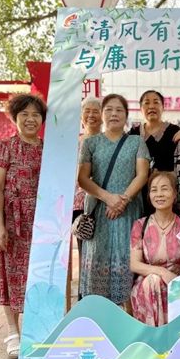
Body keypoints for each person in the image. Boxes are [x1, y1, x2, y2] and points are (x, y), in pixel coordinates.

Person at [78, 94, 150, 309]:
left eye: (119, 110)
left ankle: (129, 315)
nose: (113, 114)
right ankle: (100, 315)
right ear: (102, 114)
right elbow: (83, 179)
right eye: (108, 109)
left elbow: (142, 175)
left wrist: (123, 200)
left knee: (127, 257)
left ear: (126, 115)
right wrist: (108, 198)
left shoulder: (136, 142)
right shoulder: (90, 143)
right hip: (99, 209)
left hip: (129, 210)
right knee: (98, 258)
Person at [0, 94, 47, 359]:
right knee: (11, 275)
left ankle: (39, 329)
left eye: (36, 114)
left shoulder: (49, 149)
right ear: (15, 118)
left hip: (44, 224)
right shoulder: (4, 148)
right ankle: (13, 331)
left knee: (42, 275)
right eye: (24, 114)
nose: (30, 119)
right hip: (14, 223)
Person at [130, 171, 180, 326]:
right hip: (146, 288)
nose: (159, 194)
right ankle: (157, 335)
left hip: (176, 284)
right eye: (154, 190)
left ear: (174, 194)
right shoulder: (140, 225)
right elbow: (134, 264)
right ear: (149, 195)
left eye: (164, 189)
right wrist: (162, 272)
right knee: (153, 281)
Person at [129, 90, 180, 215]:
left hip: (166, 194)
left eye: (156, 102)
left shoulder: (174, 131)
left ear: (163, 107)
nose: (151, 106)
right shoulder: (133, 133)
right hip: (140, 194)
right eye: (146, 103)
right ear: (141, 109)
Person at [72, 97, 103, 300]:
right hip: (79, 207)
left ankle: (102, 299)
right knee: (85, 254)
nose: (91, 115)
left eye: (95, 111)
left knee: (102, 254)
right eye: (87, 111)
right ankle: (85, 299)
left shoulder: (108, 141)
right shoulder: (74, 143)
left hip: (103, 204)